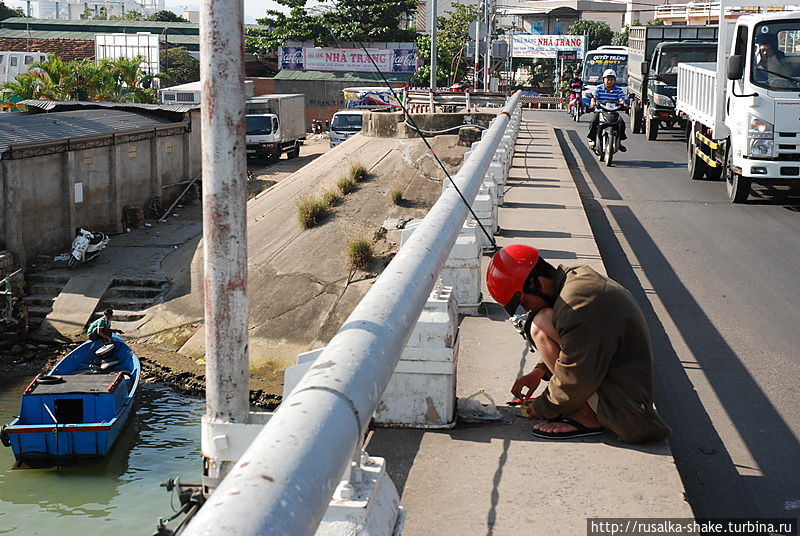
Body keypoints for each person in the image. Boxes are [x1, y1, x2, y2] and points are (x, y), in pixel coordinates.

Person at [486, 244, 671, 443]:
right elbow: (578, 342)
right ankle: (584, 409)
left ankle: (586, 417)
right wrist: (539, 371)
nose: (526, 308)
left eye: (524, 302)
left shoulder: (577, 302)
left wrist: (544, 406)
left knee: (539, 323)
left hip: (627, 407)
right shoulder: (575, 281)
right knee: (542, 320)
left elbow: (577, 370)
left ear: (535, 283)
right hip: (617, 380)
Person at [587, 69, 627, 152]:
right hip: (600, 111)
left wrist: (624, 104)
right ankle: (593, 141)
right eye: (608, 79)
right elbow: (594, 98)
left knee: (621, 124)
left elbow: (621, 99)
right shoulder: (598, 88)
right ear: (604, 79)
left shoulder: (618, 89)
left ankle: (619, 142)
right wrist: (593, 103)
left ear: (614, 80)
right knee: (594, 122)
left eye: (612, 79)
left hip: (613, 111)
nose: (610, 81)